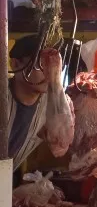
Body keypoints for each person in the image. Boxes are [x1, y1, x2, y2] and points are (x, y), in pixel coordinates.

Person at [8, 36, 70, 173]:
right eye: (41, 65)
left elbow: (60, 144)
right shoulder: (3, 95)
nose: (48, 73)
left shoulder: (50, 103)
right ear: (15, 64)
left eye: (53, 66)